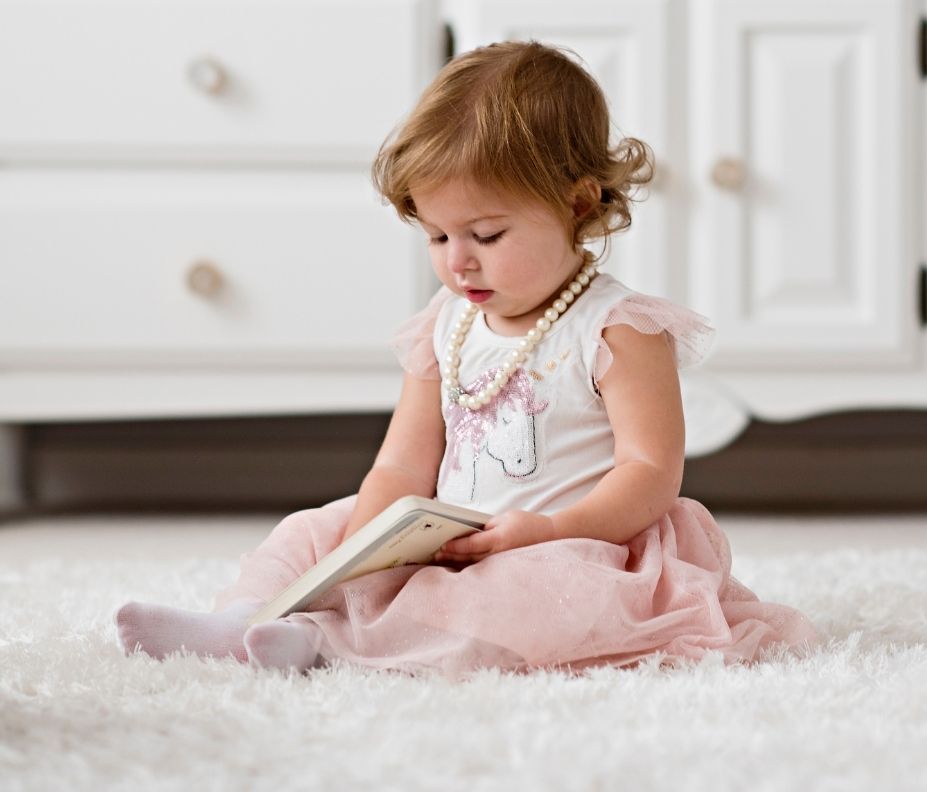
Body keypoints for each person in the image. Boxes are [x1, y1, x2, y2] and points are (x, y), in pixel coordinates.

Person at [115, 40, 820, 677]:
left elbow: (651, 474)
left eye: (485, 233)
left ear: (577, 204)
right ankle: (247, 618)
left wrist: (546, 531)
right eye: (437, 236)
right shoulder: (446, 324)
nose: (458, 262)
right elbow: (400, 463)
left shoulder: (617, 328)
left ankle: (327, 645)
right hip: (444, 530)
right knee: (310, 531)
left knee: (516, 605)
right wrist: (360, 550)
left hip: (573, 543)